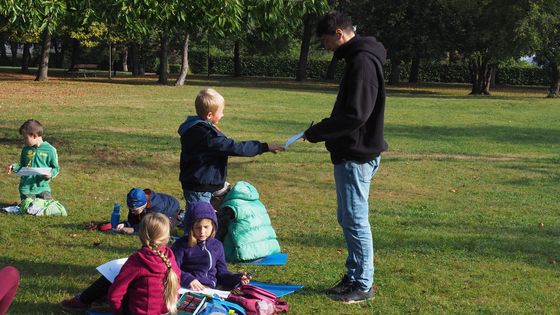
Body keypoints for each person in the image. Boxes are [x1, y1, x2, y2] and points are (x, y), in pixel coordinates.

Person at [303, 11, 388, 303]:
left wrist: (320, 132)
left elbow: (355, 114)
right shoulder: (357, 58)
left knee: (355, 220)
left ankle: (363, 284)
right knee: (347, 217)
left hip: (356, 154)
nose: (326, 47)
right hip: (349, 152)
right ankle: (353, 276)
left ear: (339, 33)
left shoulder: (362, 62)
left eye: (327, 40)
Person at [178, 88, 284, 216]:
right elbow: (234, 147)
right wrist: (264, 147)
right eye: (221, 112)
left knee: (203, 218)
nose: (223, 114)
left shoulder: (196, 127)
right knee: (198, 220)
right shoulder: (207, 136)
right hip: (199, 187)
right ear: (209, 115)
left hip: (204, 183)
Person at [61, 213, 181, 314]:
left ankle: (86, 299)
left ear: (142, 235)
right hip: (164, 311)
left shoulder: (137, 261)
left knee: (111, 278)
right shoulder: (169, 257)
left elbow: (115, 295)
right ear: (166, 236)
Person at [172, 202, 250, 291]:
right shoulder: (181, 245)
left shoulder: (217, 246)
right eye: (198, 227)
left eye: (206, 227)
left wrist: (237, 278)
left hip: (210, 289)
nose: (202, 231)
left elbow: (222, 274)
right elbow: (172, 268)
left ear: (213, 226)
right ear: (191, 228)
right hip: (187, 288)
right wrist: (188, 279)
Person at [215, 181, 281, 262]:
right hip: (269, 249)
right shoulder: (255, 201)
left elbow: (219, 233)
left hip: (244, 254)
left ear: (218, 198)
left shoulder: (229, 207)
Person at [5, 119, 60, 202]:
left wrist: (50, 174)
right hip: (27, 188)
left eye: (25, 138)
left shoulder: (50, 150)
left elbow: (56, 168)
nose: (24, 141)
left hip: (42, 187)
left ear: (34, 135)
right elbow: (23, 166)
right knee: (29, 207)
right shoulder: (25, 150)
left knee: (47, 207)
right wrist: (14, 167)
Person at [115, 188, 182, 234]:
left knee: (158, 229)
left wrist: (133, 229)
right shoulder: (134, 204)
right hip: (155, 206)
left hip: (172, 210)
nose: (132, 212)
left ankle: (181, 219)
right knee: (142, 217)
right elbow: (134, 219)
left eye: (134, 210)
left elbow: (148, 225)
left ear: (143, 206)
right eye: (130, 209)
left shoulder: (155, 207)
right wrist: (126, 224)